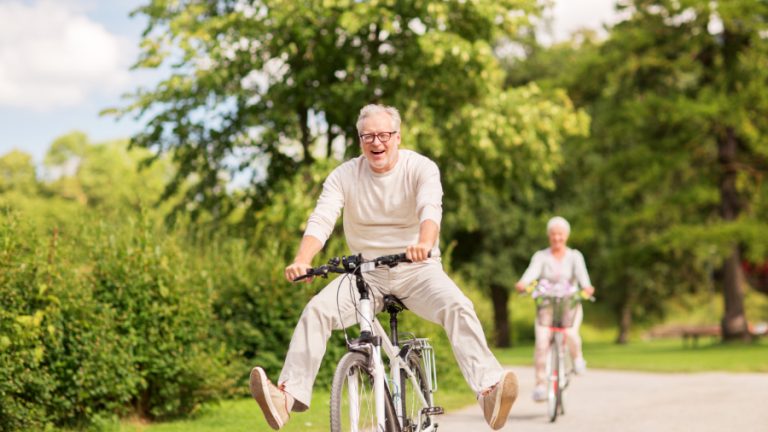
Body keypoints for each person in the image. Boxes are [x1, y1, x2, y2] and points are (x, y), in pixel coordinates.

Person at [249, 104, 519, 430]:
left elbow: (430, 208)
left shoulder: (420, 167)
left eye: (383, 135)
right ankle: (286, 398)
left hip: (417, 268)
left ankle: (489, 392)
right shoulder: (344, 175)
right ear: (360, 140)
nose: (376, 142)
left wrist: (424, 242)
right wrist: (302, 260)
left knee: (458, 306)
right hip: (365, 274)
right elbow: (322, 219)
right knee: (316, 311)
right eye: (368, 137)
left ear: (397, 137)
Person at [514, 216, 595, 403]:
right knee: (542, 343)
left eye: (560, 234)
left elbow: (584, 278)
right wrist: (523, 283)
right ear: (549, 236)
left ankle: (577, 359)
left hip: (569, 305)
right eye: (553, 234)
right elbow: (531, 273)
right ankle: (541, 385)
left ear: (566, 236)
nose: (557, 238)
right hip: (547, 306)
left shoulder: (575, 256)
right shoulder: (541, 256)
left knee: (571, 333)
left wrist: (587, 287)